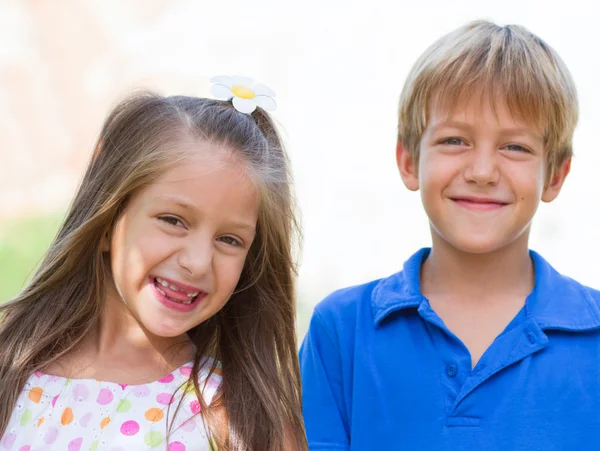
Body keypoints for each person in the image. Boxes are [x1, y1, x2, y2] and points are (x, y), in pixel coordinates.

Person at [300, 20, 600, 450]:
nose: (481, 172)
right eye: (455, 140)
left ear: (555, 175)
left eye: (515, 147)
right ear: (408, 160)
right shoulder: (342, 331)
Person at [0, 78, 307, 451]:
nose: (197, 263)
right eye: (173, 220)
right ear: (107, 219)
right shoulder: (10, 368)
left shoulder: (239, 419)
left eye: (229, 240)